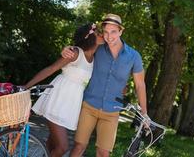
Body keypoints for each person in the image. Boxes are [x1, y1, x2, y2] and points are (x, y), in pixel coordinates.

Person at [61, 14, 148, 157]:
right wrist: (67, 48)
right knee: (79, 146)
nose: (109, 36)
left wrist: (144, 113)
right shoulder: (98, 48)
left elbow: (140, 85)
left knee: (103, 152)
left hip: (111, 111)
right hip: (89, 106)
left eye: (113, 31)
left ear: (121, 31)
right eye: (106, 32)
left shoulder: (134, 56)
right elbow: (81, 49)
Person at [24, 23, 104, 157]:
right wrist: (26, 86)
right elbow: (51, 69)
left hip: (70, 104)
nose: (101, 34)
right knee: (62, 147)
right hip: (58, 98)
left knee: (52, 144)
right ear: (89, 37)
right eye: (97, 33)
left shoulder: (95, 58)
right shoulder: (75, 53)